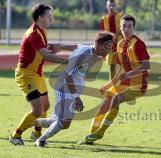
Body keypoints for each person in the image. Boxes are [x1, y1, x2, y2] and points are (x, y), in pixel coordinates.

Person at [34, 32, 114, 147]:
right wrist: (76, 98)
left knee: (56, 121)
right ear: (99, 45)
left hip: (72, 88)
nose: (108, 51)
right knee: (65, 122)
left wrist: (60, 46)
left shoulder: (91, 52)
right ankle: (40, 140)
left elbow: (77, 46)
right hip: (64, 86)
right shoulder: (84, 54)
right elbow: (68, 75)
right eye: (107, 48)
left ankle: (31, 122)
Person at [80, 14, 150, 144]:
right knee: (105, 103)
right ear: (120, 27)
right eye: (124, 26)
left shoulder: (138, 44)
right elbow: (121, 69)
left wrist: (130, 74)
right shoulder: (120, 44)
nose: (126, 28)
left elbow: (146, 65)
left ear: (133, 27)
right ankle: (90, 136)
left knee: (116, 99)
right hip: (123, 83)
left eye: (129, 26)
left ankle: (100, 133)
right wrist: (109, 84)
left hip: (138, 85)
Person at [9, 3, 66, 145]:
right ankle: (15, 136)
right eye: (49, 16)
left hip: (38, 74)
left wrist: (51, 47)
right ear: (40, 17)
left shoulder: (42, 30)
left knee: (45, 107)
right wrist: (67, 61)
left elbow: (41, 49)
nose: (51, 19)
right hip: (26, 75)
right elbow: (45, 56)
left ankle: (36, 134)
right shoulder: (33, 33)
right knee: (37, 109)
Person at [100, 0, 123, 80]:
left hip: (120, 45)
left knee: (120, 67)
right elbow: (102, 33)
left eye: (113, 5)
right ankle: (111, 86)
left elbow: (124, 29)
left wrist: (116, 35)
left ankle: (121, 86)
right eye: (110, 5)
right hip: (109, 47)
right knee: (111, 67)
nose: (111, 7)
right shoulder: (104, 19)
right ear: (107, 6)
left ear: (116, 6)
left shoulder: (120, 16)